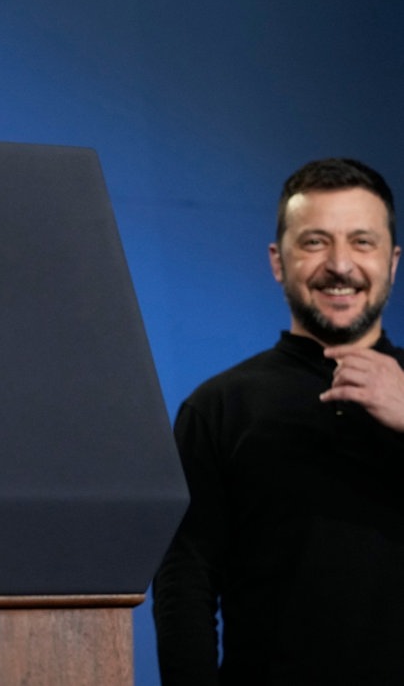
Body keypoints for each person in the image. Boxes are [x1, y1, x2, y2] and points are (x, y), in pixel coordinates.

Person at [153, 158, 404, 685]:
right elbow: (185, 580)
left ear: (393, 261)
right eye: (315, 242)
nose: (340, 265)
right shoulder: (218, 407)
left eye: (363, 242)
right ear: (277, 261)